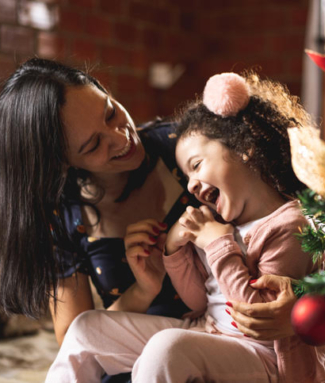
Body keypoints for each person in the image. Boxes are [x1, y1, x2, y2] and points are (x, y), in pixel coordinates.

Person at [0, 58, 300, 383]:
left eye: (110, 112)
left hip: (232, 352)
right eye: (93, 145)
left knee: (167, 349)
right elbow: (73, 346)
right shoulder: (62, 213)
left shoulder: (189, 148)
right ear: (63, 162)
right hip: (151, 352)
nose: (119, 137)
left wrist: (300, 311)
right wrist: (144, 289)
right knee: (88, 330)